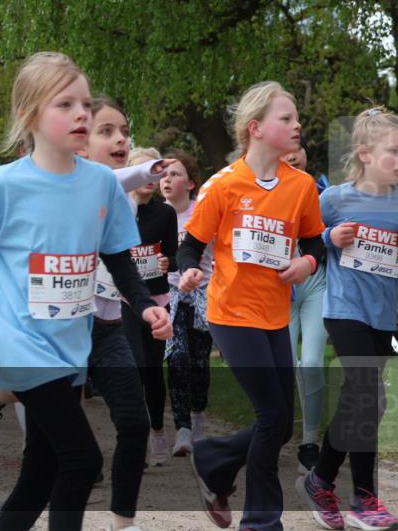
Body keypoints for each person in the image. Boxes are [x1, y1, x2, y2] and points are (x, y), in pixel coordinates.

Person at [0, 52, 170, 531]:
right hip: (20, 345)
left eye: (84, 102)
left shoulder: (101, 183)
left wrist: (143, 307)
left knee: (40, 472)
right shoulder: (3, 185)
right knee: (82, 460)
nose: (82, 113)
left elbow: (117, 256)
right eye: (65, 104)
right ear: (29, 116)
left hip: (70, 344)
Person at [178, 81, 325, 531]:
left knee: (279, 426)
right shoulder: (223, 186)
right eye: (287, 118)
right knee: (274, 416)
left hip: (274, 315)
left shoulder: (301, 186)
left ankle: (213, 459)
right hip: (230, 314)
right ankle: (261, 522)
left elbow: (314, 243)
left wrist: (305, 262)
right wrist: (189, 271)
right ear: (256, 128)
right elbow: (191, 245)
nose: (297, 124)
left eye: (296, 117)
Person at [297, 107, 398, 531]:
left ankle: (321, 478)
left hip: (385, 314)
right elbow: (303, 238)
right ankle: (364, 497)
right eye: (394, 151)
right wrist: (327, 236)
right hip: (344, 310)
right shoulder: (335, 199)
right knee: (365, 387)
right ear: (364, 154)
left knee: (369, 403)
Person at [124, 147, 178, 465]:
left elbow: (172, 256)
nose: (150, 177)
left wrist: (165, 261)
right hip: (125, 301)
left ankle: (157, 429)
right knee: (134, 365)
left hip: (157, 300)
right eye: (143, 170)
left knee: (153, 371)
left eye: (155, 170)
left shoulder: (165, 213)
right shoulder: (117, 211)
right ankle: (137, 438)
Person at [280, 136, 331, 473]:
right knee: (281, 367)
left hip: (315, 285)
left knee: (311, 362)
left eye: (297, 148)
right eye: (285, 149)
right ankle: (273, 435)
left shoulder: (325, 194)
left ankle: (310, 442)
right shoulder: (262, 191)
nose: (292, 154)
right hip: (276, 289)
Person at [160, 150, 214, 456]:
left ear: (191, 183)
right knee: (177, 357)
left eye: (175, 174)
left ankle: (198, 418)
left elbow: (220, 250)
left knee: (199, 363)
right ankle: (182, 429)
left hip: (203, 294)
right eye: (164, 174)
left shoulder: (203, 211)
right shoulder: (157, 215)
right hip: (170, 296)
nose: (167, 179)